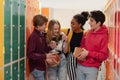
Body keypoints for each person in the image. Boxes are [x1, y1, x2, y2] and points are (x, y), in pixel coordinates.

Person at [76, 10, 109, 80]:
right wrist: (78, 54)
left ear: (99, 23)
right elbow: (82, 45)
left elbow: (103, 56)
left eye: (91, 21)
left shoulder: (104, 36)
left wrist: (88, 53)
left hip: (92, 68)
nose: (89, 22)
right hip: (80, 65)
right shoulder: (87, 33)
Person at [27, 14, 56, 80]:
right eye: (44, 24)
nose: (46, 26)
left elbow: (43, 49)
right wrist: (45, 56)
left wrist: (51, 47)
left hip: (41, 66)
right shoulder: (33, 37)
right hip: (36, 68)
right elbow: (30, 54)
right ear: (38, 26)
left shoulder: (42, 34)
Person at [67, 11, 89, 80]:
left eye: (73, 24)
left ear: (79, 24)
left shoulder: (85, 34)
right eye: (71, 23)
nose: (71, 25)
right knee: (73, 78)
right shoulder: (69, 31)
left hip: (81, 58)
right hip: (71, 58)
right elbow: (54, 30)